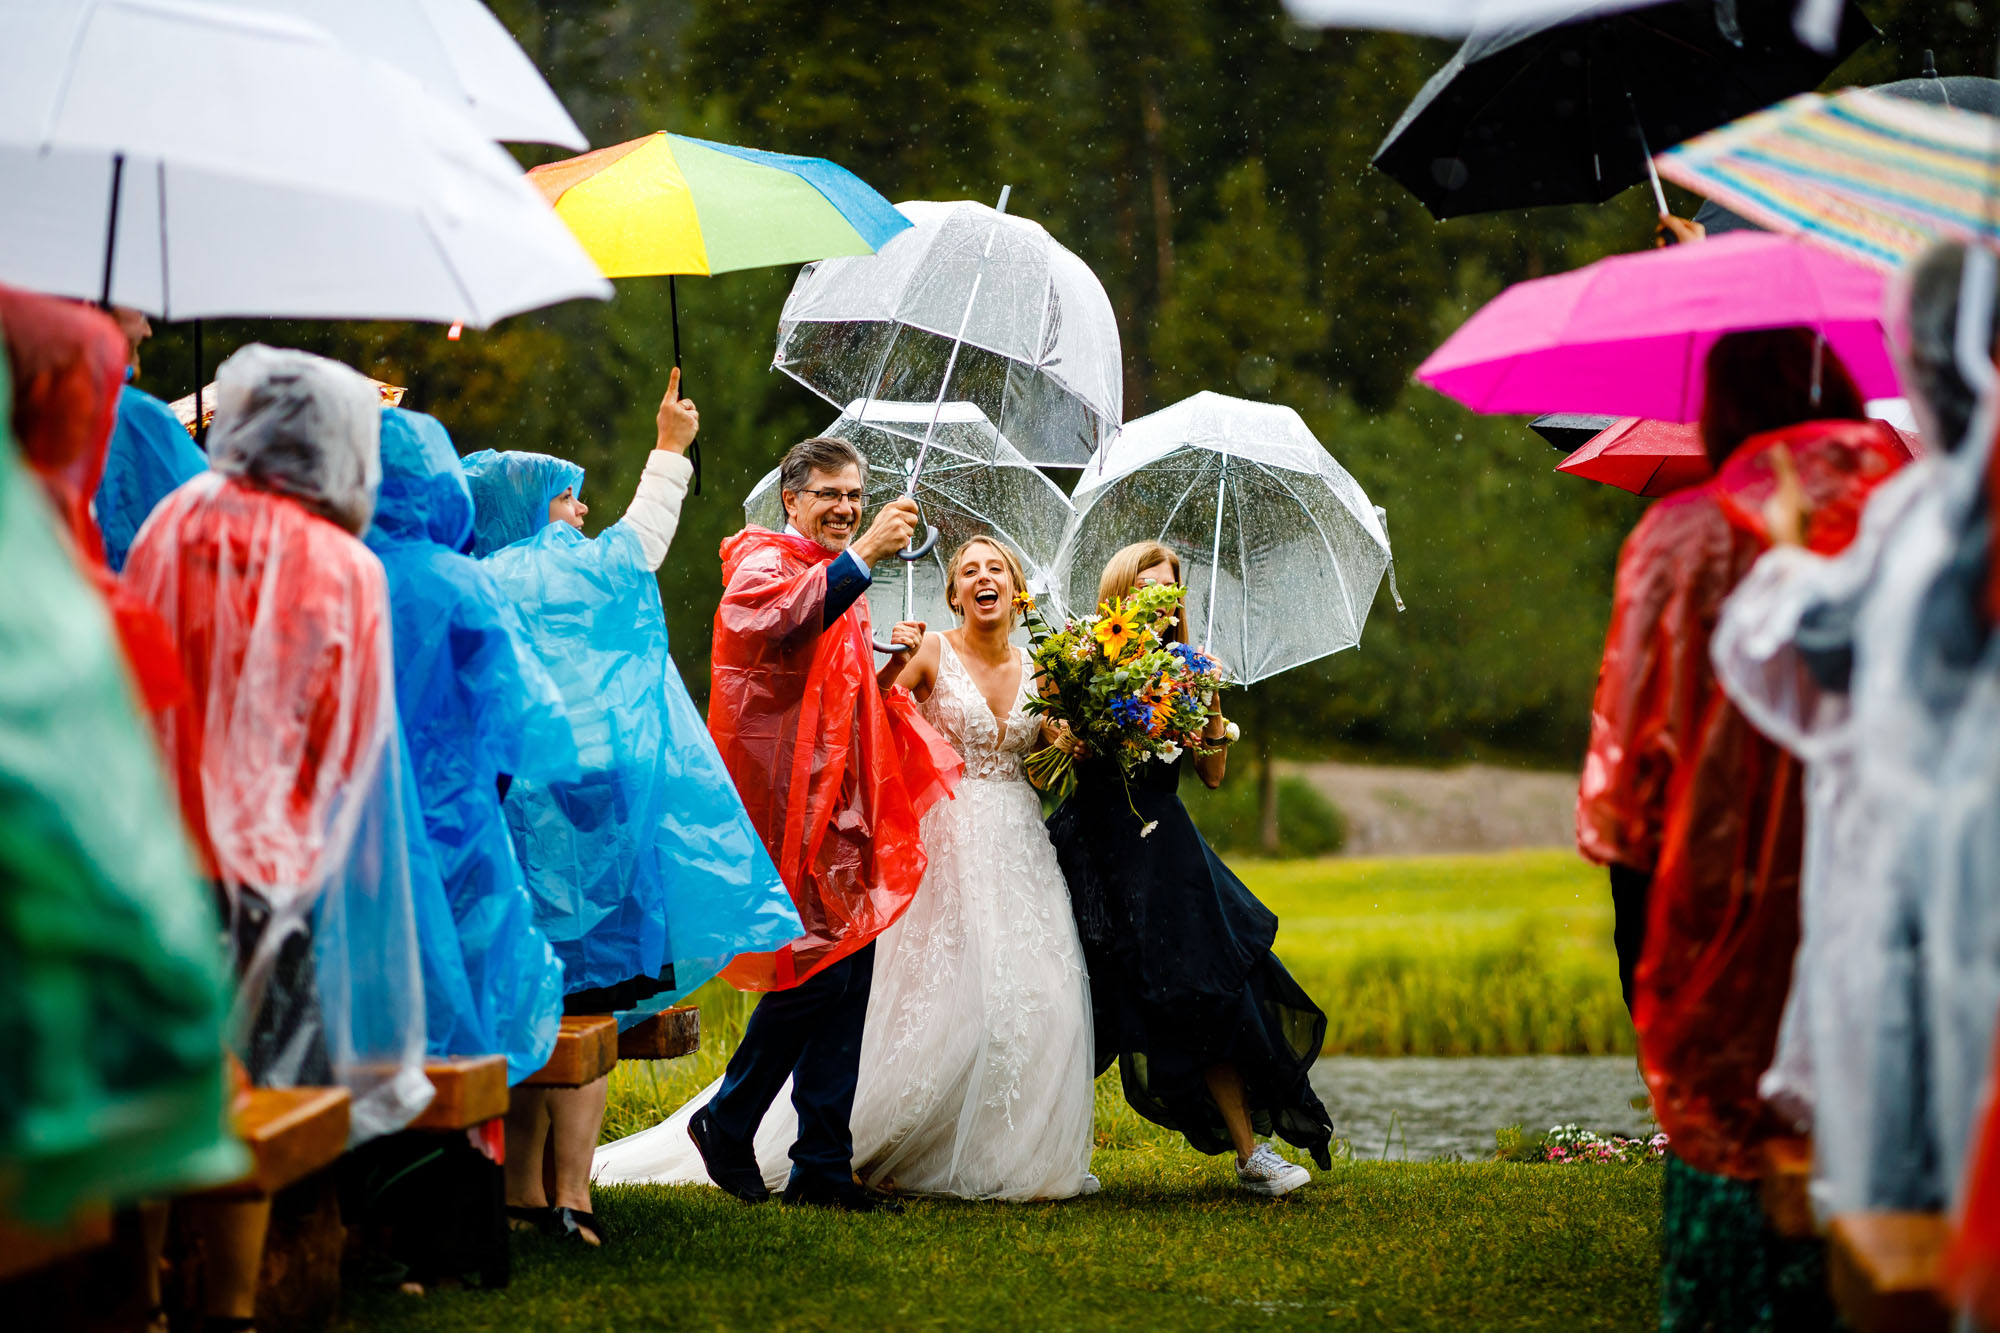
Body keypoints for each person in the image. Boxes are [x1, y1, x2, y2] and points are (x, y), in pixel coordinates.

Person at [596, 535, 1094, 1200]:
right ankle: (821, 1144)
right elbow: (876, 714)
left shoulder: (1044, 669)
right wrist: (892, 666)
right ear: (952, 593)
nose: (983, 577)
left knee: (1030, 995)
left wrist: (1078, 739)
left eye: (996, 567)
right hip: (940, 839)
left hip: (1020, 845)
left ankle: (992, 1146)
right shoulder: (927, 651)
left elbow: (1047, 757)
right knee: (931, 998)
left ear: (1015, 587)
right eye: (968, 569)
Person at [1577, 326, 1902, 1330]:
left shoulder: (1678, 540)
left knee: (1734, 1157)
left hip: (1719, 914)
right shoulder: (1922, 515)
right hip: (1897, 903)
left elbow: (1626, 789)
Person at [464, 371, 798, 1246]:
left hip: (519, 830)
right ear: (534, 504)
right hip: (605, 826)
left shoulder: (478, 580)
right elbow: (644, 535)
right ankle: (571, 1193)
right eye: (567, 497)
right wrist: (672, 445)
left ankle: (522, 1191)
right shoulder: (584, 566)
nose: (579, 510)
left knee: (540, 1008)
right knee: (599, 1010)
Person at [1710, 241, 2000, 1223]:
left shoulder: (1938, 506)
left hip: (1949, 860)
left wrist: (1787, 552)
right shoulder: (1930, 495)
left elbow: (1831, 649)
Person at [686, 435, 959, 1214]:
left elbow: (834, 692)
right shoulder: (763, 561)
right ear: (792, 499)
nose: (846, 508)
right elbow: (776, 624)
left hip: (845, 808)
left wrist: (892, 668)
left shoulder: (845, 578)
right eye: (830, 494)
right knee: (820, 969)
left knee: (850, 978)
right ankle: (728, 1117)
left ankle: (822, 1166)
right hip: (787, 805)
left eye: (856, 497)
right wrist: (866, 552)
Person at [1044, 541, 1332, 1197]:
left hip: (1165, 851)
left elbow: (1212, 773)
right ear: (1121, 593)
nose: (1162, 597)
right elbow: (1057, 746)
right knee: (1078, 996)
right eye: (1148, 585)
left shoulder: (1191, 669)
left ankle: (1251, 1154)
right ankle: (1048, 1154)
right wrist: (1075, 732)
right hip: (1093, 844)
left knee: (1212, 992)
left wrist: (1212, 705)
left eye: (1171, 588)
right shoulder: (1086, 655)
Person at [363, 407, 574, 1083]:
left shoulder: (330, 570)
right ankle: (467, 1169)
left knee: (376, 989)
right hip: (458, 819)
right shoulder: (460, 584)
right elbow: (529, 725)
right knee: (467, 995)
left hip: (352, 824)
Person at [94, 305, 207, 572]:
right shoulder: (138, 415)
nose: (147, 331)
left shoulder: (26, 405)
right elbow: (213, 519)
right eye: (140, 316)